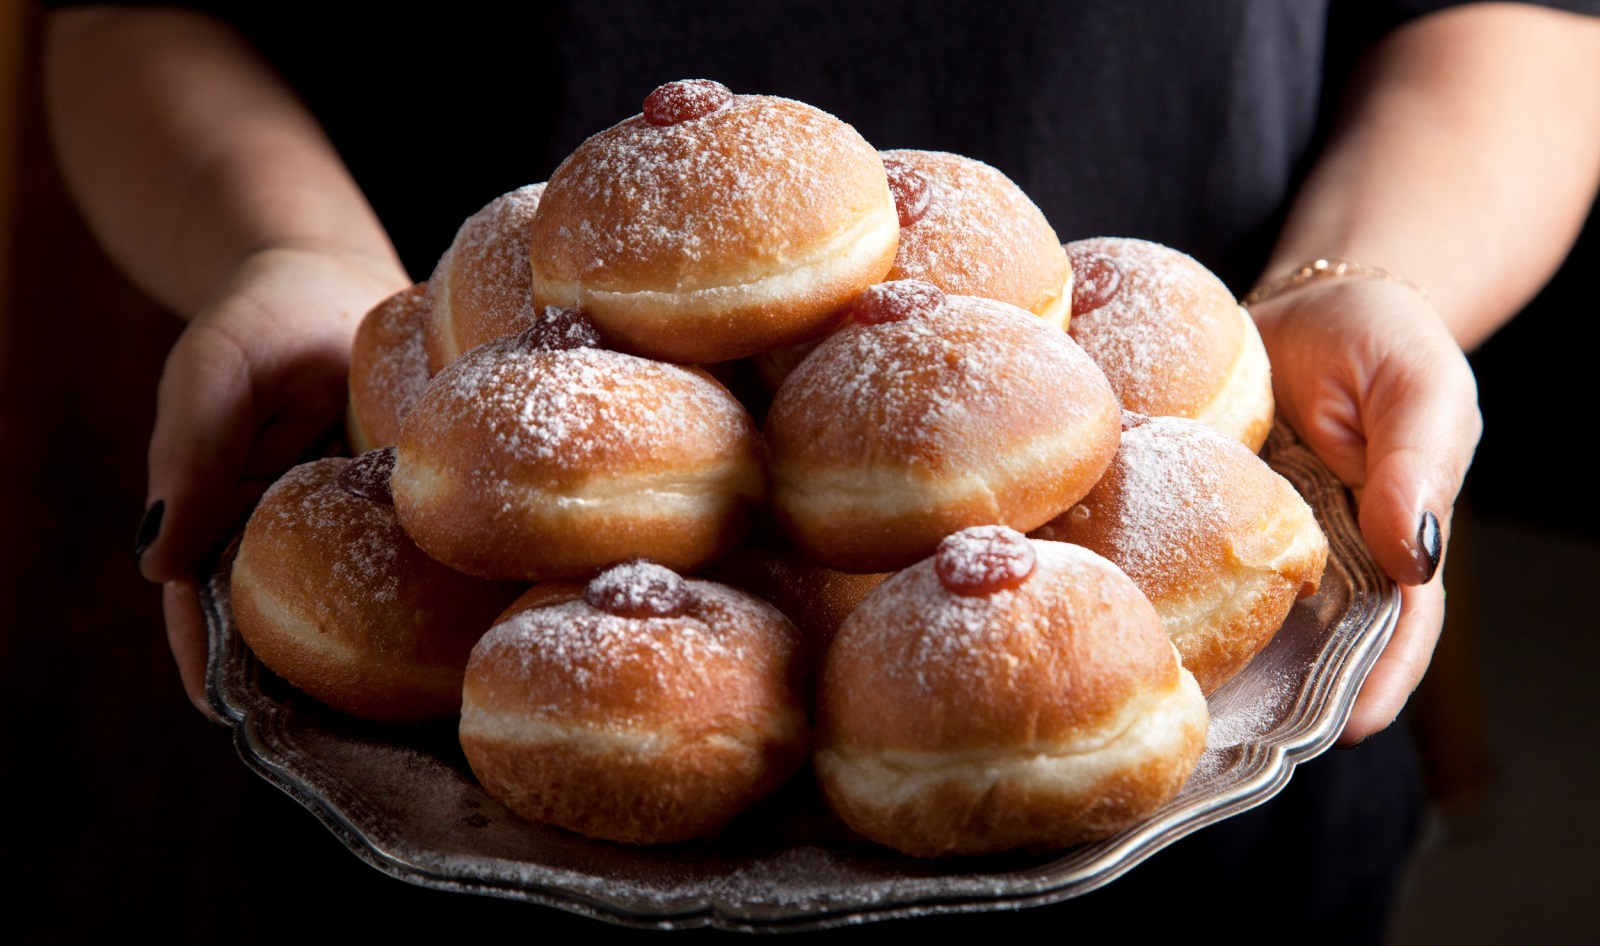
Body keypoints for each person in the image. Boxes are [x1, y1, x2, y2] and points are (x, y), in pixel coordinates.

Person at [40, 0, 1600, 937]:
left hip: (1191, 809)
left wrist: (1363, 276)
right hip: (439, 820)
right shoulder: (557, 398)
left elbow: (1518, 21)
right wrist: (293, 256)